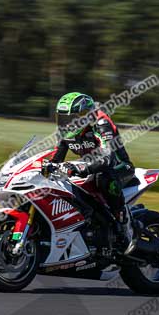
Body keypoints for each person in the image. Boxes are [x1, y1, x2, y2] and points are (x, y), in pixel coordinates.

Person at [44, 92, 136, 252]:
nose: (66, 123)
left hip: (118, 167)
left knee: (103, 178)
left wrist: (81, 168)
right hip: (91, 168)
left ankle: (125, 227)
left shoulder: (101, 122)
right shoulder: (66, 132)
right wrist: (45, 167)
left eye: (70, 118)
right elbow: (56, 158)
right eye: (62, 118)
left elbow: (107, 156)